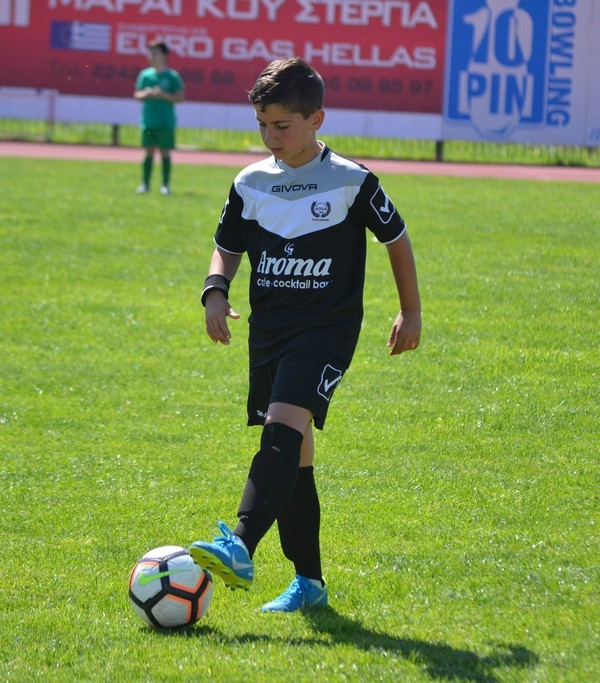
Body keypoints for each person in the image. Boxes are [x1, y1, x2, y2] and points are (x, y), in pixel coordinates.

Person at [189, 57, 422, 613]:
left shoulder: (352, 180)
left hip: (325, 330)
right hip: (270, 330)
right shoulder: (249, 181)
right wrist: (215, 289)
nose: (270, 136)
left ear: (316, 119)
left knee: (281, 429)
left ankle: (240, 543)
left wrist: (410, 311)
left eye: (282, 125)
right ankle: (309, 583)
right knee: (294, 457)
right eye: (261, 125)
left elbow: (396, 238)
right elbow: (227, 244)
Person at [133, 41, 185, 196]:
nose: (152, 56)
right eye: (150, 53)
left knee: (165, 153)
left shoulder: (172, 76)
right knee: (148, 152)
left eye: (155, 53)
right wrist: (146, 93)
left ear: (165, 55)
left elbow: (180, 97)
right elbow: (137, 95)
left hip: (165, 121)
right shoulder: (145, 75)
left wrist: (164, 95)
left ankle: (165, 185)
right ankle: (145, 184)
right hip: (148, 120)